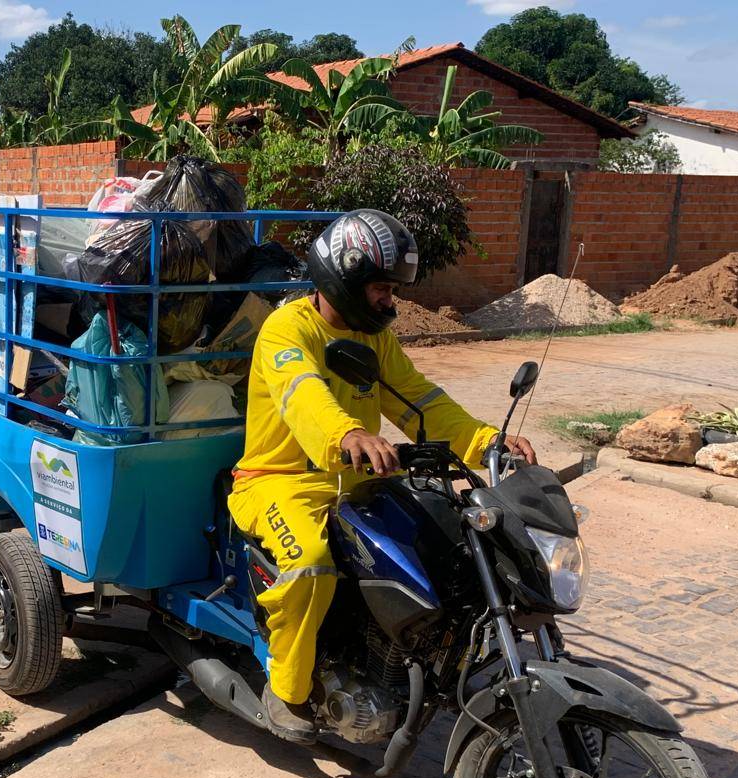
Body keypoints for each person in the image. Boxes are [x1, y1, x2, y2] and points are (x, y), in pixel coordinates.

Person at [228, 209, 537, 744]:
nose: (389, 301)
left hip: (354, 482)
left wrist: (485, 440)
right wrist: (347, 435)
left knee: (447, 542)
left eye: (391, 289)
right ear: (341, 280)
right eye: (379, 288)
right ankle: (287, 688)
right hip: (277, 480)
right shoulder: (288, 329)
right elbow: (303, 392)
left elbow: (420, 400)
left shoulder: (376, 340)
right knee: (312, 564)